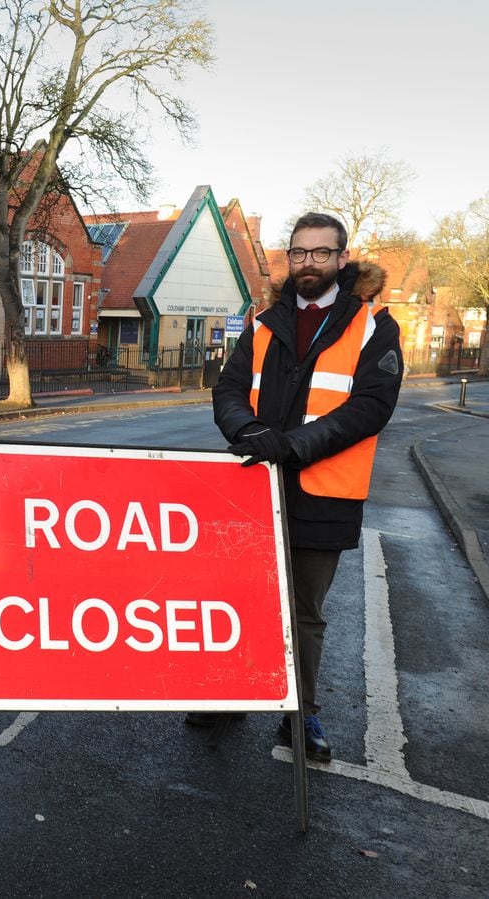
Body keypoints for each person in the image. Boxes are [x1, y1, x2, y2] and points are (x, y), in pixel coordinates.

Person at [207, 212, 402, 762]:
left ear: (343, 258)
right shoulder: (265, 322)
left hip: (322, 493)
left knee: (304, 611)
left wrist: (292, 446)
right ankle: (228, 695)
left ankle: (302, 711)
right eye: (298, 253)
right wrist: (247, 431)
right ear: (287, 260)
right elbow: (228, 388)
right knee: (239, 599)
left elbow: (371, 406)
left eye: (320, 253)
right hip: (251, 487)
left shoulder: (374, 325)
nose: (308, 262)